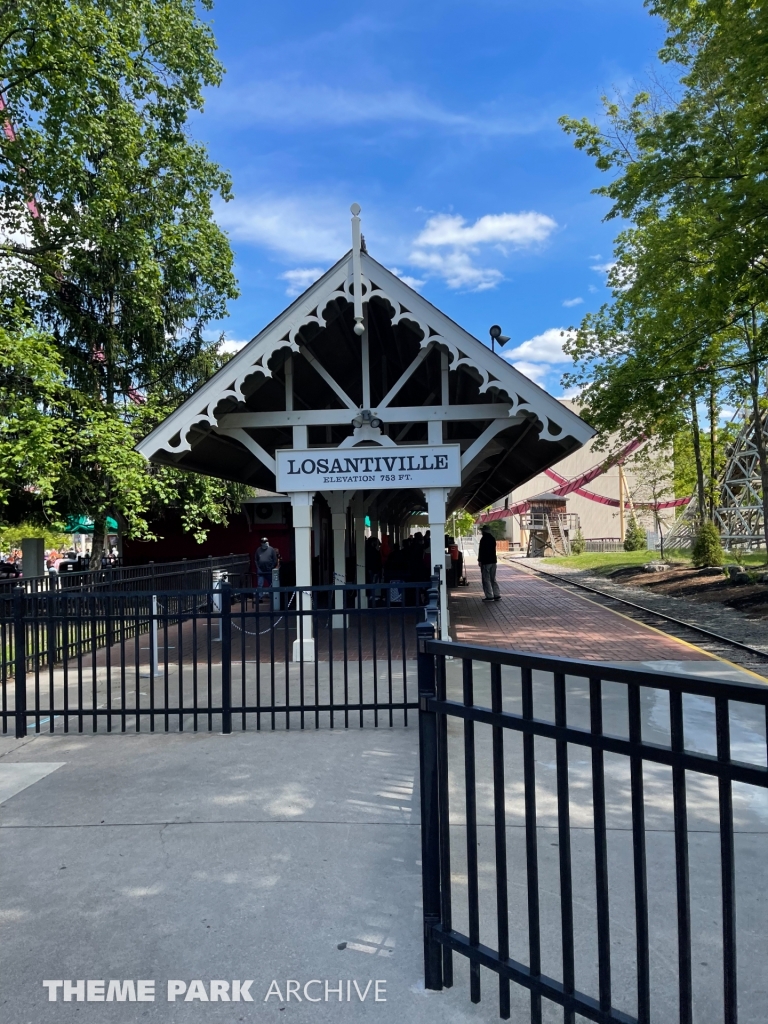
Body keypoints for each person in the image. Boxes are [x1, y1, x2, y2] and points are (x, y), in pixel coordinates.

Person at [478, 525, 501, 602]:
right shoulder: (492, 538)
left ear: (484, 531)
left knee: (486, 579)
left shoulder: (483, 539)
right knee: (493, 579)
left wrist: (480, 560)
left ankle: (489, 596)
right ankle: (497, 594)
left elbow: (481, 551)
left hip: (486, 562)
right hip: (493, 561)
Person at [254, 536, 279, 603]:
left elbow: (275, 560)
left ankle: (272, 597)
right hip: (261, 570)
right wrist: (258, 567)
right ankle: (259, 598)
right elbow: (256, 560)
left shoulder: (271, 550)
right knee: (260, 584)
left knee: (271, 584)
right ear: (261, 543)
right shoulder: (258, 550)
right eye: (263, 542)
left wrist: (271, 567)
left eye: (266, 541)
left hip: (269, 570)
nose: (265, 543)